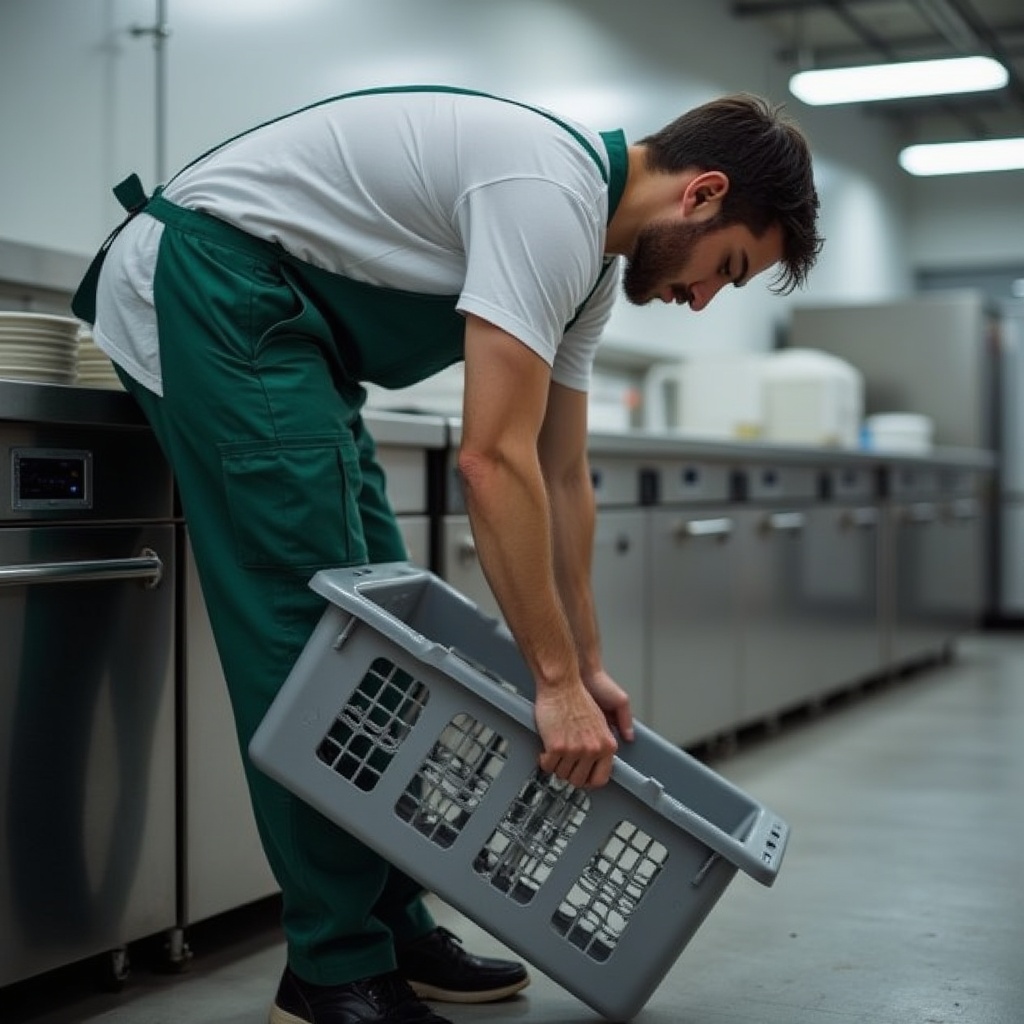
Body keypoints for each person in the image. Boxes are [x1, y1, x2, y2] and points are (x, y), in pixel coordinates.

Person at [72, 85, 822, 1024]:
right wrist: (549, 684)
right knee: (312, 643)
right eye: (730, 269)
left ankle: (393, 923)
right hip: (219, 293)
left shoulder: (589, 263)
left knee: (382, 645)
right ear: (702, 194)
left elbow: (562, 475)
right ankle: (331, 966)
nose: (704, 300)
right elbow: (491, 460)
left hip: (294, 336)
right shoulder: (547, 192)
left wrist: (585, 665)